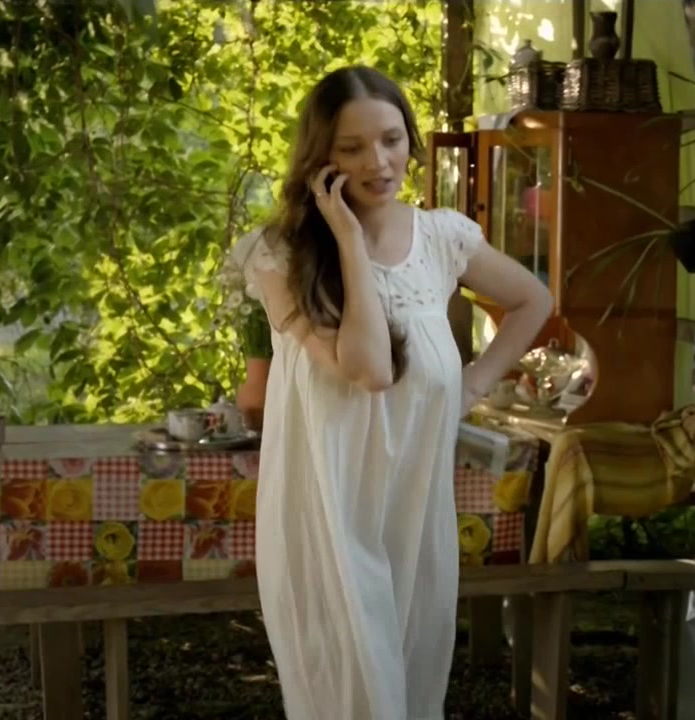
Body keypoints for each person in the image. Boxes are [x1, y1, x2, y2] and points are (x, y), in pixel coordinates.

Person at [238, 65, 553, 720]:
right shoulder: (280, 256)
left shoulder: (442, 238)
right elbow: (371, 371)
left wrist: (473, 384)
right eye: (351, 148)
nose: (378, 163)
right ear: (320, 160)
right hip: (329, 515)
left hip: (413, 509)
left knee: (409, 692)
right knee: (354, 696)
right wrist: (350, 242)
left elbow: (533, 300)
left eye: (390, 139)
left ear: (410, 137)